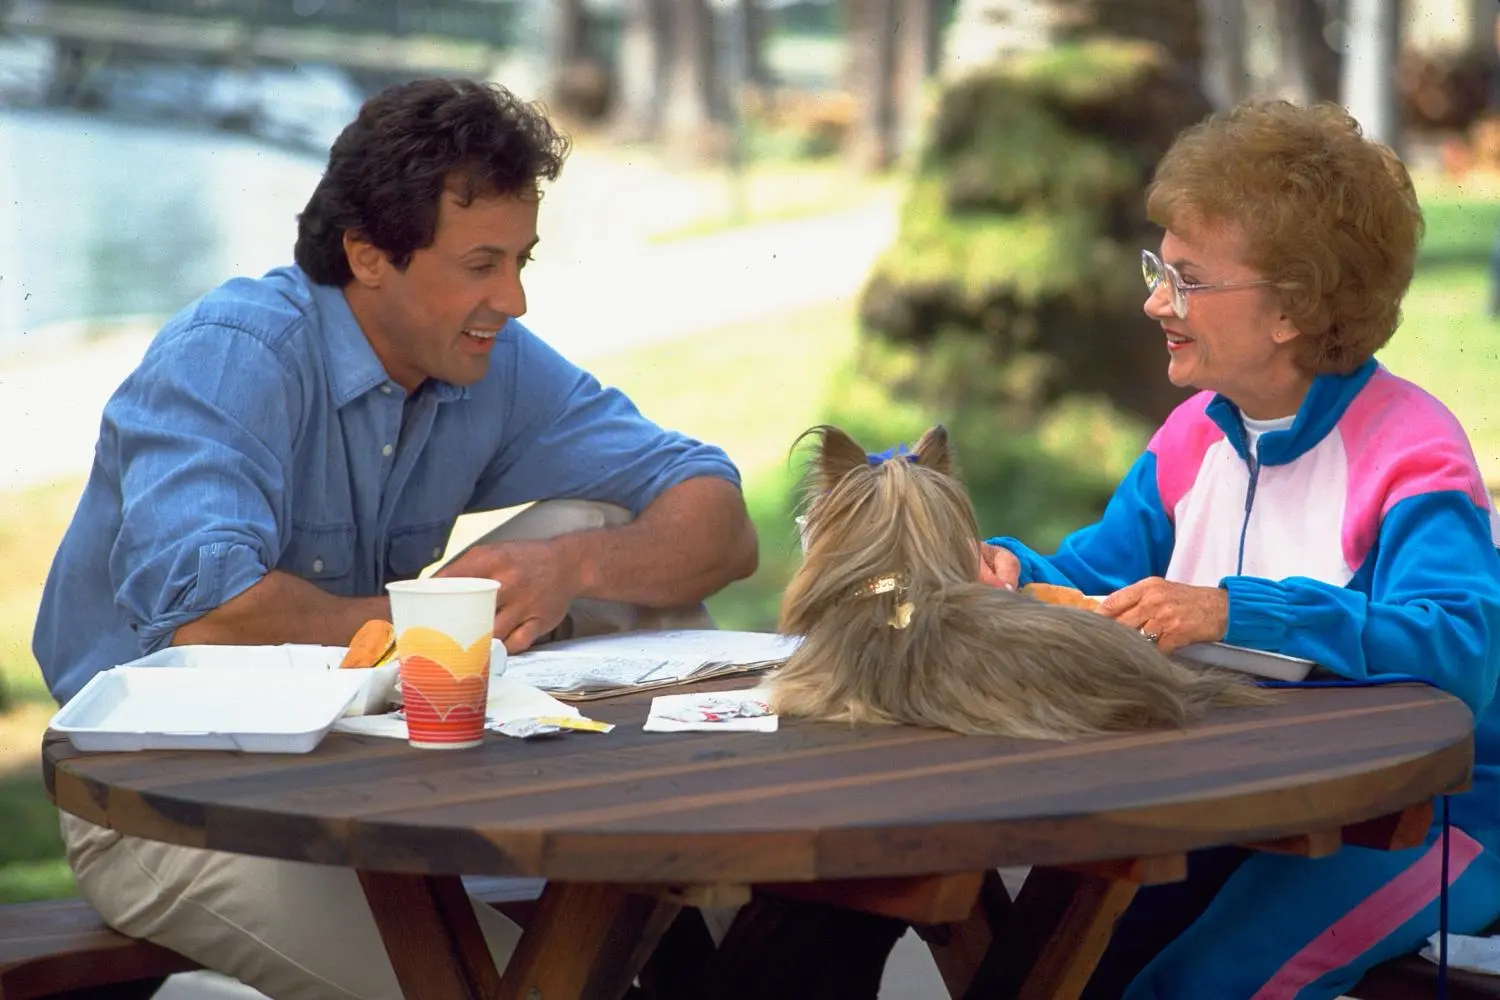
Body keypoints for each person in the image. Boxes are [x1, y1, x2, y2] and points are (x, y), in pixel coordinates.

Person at [32, 77, 759, 1000]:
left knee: (596, 527)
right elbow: (204, 618)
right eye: (483, 263)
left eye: (522, 260)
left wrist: (570, 565)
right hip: (169, 804)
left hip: (368, 779)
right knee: (539, 986)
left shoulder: (483, 359)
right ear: (369, 255)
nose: (517, 299)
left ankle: (676, 841)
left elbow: (720, 521)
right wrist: (429, 628)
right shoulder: (236, 352)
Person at [979, 99, 1500, 999]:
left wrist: (1236, 609)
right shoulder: (1191, 437)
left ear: (1292, 306)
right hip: (1246, 803)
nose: (1154, 302)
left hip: (1438, 818)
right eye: (1159, 270)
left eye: (1187, 279)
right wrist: (1014, 570)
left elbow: (1458, 649)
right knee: (1052, 961)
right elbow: (1097, 586)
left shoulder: (1413, 450)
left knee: (1200, 985)